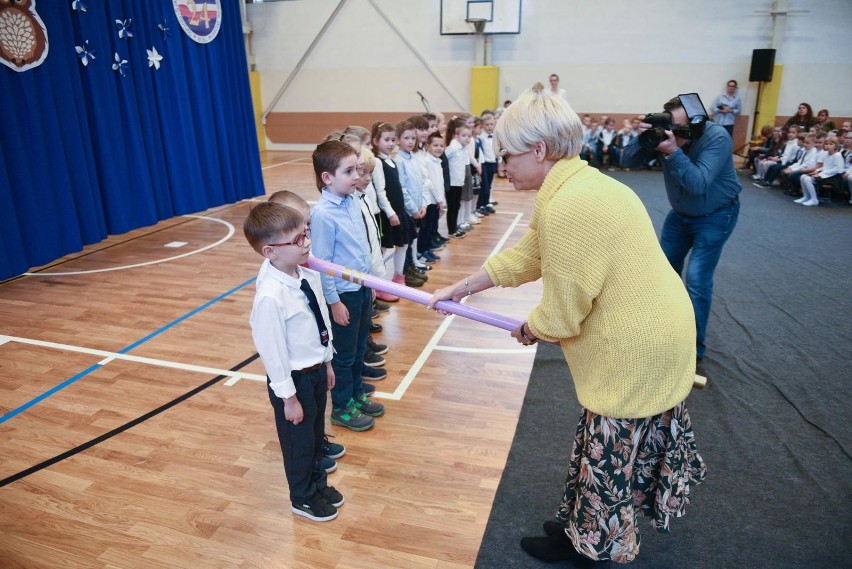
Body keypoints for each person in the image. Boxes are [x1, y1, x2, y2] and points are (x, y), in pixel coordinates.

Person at [428, 83, 705, 565]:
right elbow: (531, 253)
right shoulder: (573, 186)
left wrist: (533, 328)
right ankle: (578, 526)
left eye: (507, 154)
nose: (502, 165)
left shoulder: (573, 203)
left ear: (538, 149)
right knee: (595, 442)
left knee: (608, 456)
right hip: (649, 333)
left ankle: (591, 548)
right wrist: (467, 285)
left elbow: (564, 308)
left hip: (639, 346)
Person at [621, 94, 742, 367]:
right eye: (669, 126)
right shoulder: (664, 133)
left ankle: (693, 349)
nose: (672, 133)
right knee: (663, 274)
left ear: (696, 124)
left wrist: (673, 152)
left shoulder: (717, 137)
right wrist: (643, 136)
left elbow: (698, 184)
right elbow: (627, 161)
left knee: (697, 280)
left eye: (679, 128)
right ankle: (664, 332)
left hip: (716, 215)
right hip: (681, 214)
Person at [244, 201, 344, 522]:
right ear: (270, 253)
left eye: (306, 233)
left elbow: (321, 323)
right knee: (298, 445)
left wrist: (327, 361)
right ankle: (301, 496)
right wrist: (288, 398)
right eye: (298, 240)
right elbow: (272, 353)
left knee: (316, 437)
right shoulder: (271, 297)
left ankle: (317, 484)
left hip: (315, 372)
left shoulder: (306, 272)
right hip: (293, 382)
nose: (307, 243)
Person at [311, 140, 386, 432]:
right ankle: (342, 407)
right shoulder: (323, 214)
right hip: (343, 296)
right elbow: (322, 265)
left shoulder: (353, 200)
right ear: (327, 178)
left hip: (363, 289)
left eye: (357, 169)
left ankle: (356, 395)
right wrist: (334, 301)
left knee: (356, 350)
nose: (356, 176)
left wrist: (372, 282)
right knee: (343, 356)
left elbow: (364, 246)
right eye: (348, 171)